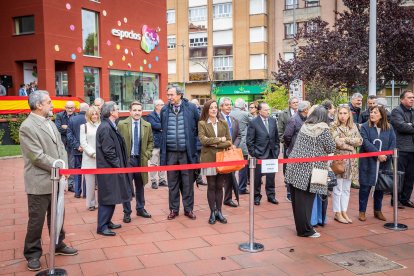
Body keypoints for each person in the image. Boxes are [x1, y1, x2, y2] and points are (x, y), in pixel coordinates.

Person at [19, 90, 78, 271]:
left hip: (57, 178)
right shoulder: (27, 127)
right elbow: (36, 156)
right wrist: (60, 166)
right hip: (40, 181)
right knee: (36, 220)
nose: (52, 105)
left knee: (58, 214)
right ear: (39, 105)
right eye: (49, 102)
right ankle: (32, 254)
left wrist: (64, 168)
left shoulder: (50, 123)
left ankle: (58, 244)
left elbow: (60, 146)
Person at [285, 106, 336, 238]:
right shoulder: (323, 129)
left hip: (294, 167)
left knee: (297, 202)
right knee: (306, 202)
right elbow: (331, 147)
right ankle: (306, 230)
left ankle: (301, 228)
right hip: (310, 170)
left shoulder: (304, 126)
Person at [160, 84, 199, 220]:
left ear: (179, 95)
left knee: (188, 184)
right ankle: (174, 209)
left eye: (171, 95)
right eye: (168, 95)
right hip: (171, 153)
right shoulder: (164, 110)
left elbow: (198, 129)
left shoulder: (192, 108)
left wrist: (196, 149)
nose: (169, 97)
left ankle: (188, 209)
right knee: (172, 184)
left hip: (186, 153)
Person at [96, 101, 133, 236]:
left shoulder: (109, 125)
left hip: (112, 168)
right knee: (107, 197)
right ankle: (102, 226)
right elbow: (108, 151)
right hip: (109, 169)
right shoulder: (106, 128)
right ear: (111, 112)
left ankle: (107, 221)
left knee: (112, 196)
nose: (118, 111)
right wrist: (119, 165)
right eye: (116, 109)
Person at [118, 101, 154, 223]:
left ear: (142, 111)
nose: (137, 112)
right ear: (130, 111)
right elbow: (118, 143)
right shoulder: (122, 124)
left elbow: (150, 142)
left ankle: (140, 208)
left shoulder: (147, 125)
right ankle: (127, 212)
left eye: (139, 110)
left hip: (141, 160)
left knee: (140, 185)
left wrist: (147, 154)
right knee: (127, 186)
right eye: (135, 110)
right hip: (128, 160)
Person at [359, 105, 396, 221]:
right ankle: (362, 211)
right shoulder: (365, 127)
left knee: (380, 186)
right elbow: (365, 142)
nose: (372, 114)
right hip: (368, 161)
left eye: (375, 112)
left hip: (384, 162)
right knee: (365, 187)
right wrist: (377, 154)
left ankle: (377, 210)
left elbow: (393, 143)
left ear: (381, 115)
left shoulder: (389, 128)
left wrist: (387, 156)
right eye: (371, 112)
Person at [198, 99, 232, 224]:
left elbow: (229, 141)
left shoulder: (223, 123)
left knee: (219, 186)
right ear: (207, 109)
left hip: (222, 158)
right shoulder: (202, 123)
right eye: (211, 107)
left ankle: (219, 211)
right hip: (209, 158)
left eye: (215, 107)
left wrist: (215, 144)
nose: (213, 109)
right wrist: (219, 139)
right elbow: (203, 140)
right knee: (211, 186)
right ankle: (212, 212)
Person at [330, 104, 363, 224]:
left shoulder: (353, 126)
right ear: (337, 114)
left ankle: (344, 211)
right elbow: (337, 142)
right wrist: (350, 144)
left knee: (347, 189)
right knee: (338, 188)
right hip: (340, 160)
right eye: (340, 113)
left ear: (349, 114)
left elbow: (360, 141)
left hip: (352, 161)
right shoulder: (333, 126)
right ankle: (337, 212)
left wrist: (346, 139)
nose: (343, 116)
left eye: (345, 113)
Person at [246, 102, 280, 205]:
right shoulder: (254, 122)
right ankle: (256, 196)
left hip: (271, 153)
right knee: (257, 177)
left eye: (268, 109)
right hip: (259, 154)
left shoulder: (273, 121)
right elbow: (249, 141)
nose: (268, 112)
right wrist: (254, 153)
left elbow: (276, 138)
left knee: (271, 177)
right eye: (265, 110)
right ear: (260, 111)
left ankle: (271, 195)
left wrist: (277, 150)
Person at [390, 90, 414, 208]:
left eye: (413, 97)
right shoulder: (396, 111)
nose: (412, 99)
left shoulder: (413, 111)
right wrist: (408, 125)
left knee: (410, 176)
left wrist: (410, 125)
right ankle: (396, 199)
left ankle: (405, 199)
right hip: (401, 149)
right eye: (409, 97)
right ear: (402, 99)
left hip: (412, 149)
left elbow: (408, 126)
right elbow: (401, 126)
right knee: (400, 175)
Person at [219, 97, 241, 207]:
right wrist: (226, 145)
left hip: (231, 152)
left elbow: (239, 136)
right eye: (226, 105)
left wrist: (234, 145)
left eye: (230, 104)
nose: (229, 107)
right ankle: (216, 202)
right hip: (219, 151)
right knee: (218, 178)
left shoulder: (234, 120)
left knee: (230, 176)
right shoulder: (216, 119)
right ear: (221, 107)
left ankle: (228, 199)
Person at [278, 96, 299, 201]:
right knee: (287, 167)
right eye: (294, 102)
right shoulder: (284, 114)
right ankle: (288, 189)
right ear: (290, 104)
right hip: (288, 145)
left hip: (299, 147)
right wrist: (285, 142)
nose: (296, 104)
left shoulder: (301, 114)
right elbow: (280, 130)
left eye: (297, 102)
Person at [80, 106, 100, 211]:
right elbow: (83, 143)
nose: (95, 116)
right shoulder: (84, 127)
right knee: (90, 184)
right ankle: (91, 203)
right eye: (92, 114)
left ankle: (102, 202)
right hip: (89, 159)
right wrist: (92, 153)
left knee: (102, 184)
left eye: (96, 114)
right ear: (88, 115)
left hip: (101, 159)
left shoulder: (101, 125)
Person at [67, 103, 89, 198]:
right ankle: (85, 193)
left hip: (77, 150)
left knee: (77, 170)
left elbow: (69, 135)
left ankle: (77, 192)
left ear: (79, 109)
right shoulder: (90, 119)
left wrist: (77, 146)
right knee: (87, 172)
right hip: (88, 150)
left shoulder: (72, 119)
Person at [55, 101, 77, 192]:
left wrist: (66, 127)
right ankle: (61, 184)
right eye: (68, 107)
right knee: (61, 163)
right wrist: (70, 129)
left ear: (74, 108)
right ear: (65, 107)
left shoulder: (77, 116)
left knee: (72, 164)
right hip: (62, 143)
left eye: (71, 108)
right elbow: (58, 128)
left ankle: (71, 185)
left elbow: (77, 130)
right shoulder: (59, 116)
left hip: (72, 143)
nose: (70, 109)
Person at [145, 99, 167, 188]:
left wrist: (162, 127)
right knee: (153, 163)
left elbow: (167, 125)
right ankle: (154, 180)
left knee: (163, 162)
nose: (163, 106)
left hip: (164, 142)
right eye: (161, 104)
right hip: (155, 143)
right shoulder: (150, 115)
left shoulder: (165, 115)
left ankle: (162, 180)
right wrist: (162, 127)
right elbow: (154, 125)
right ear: (156, 106)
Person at [230, 98, 250, 194]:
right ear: (243, 106)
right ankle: (242, 188)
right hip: (242, 144)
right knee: (243, 168)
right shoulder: (245, 114)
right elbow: (254, 123)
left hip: (232, 144)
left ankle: (232, 186)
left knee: (231, 168)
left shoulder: (230, 113)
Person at [191, 98, 207, 186]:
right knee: (197, 161)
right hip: (197, 142)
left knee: (197, 161)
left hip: (198, 142)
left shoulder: (199, 114)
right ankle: (197, 177)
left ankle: (197, 178)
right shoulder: (200, 114)